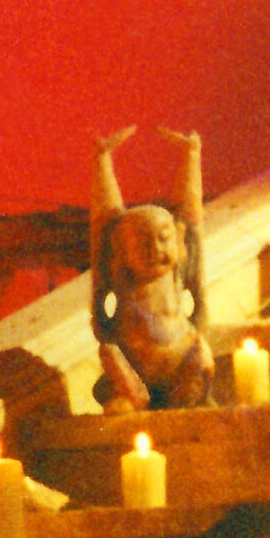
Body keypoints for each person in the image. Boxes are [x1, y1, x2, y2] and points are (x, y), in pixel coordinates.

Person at [90, 126, 213, 413]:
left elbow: (190, 215)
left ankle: (182, 399)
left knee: (203, 357)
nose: (155, 248)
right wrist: (101, 161)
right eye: (142, 242)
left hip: (181, 354)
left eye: (163, 238)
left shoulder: (179, 270)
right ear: (121, 250)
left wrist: (191, 156)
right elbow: (105, 220)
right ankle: (136, 398)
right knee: (109, 354)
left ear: (178, 241)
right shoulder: (121, 278)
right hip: (135, 360)